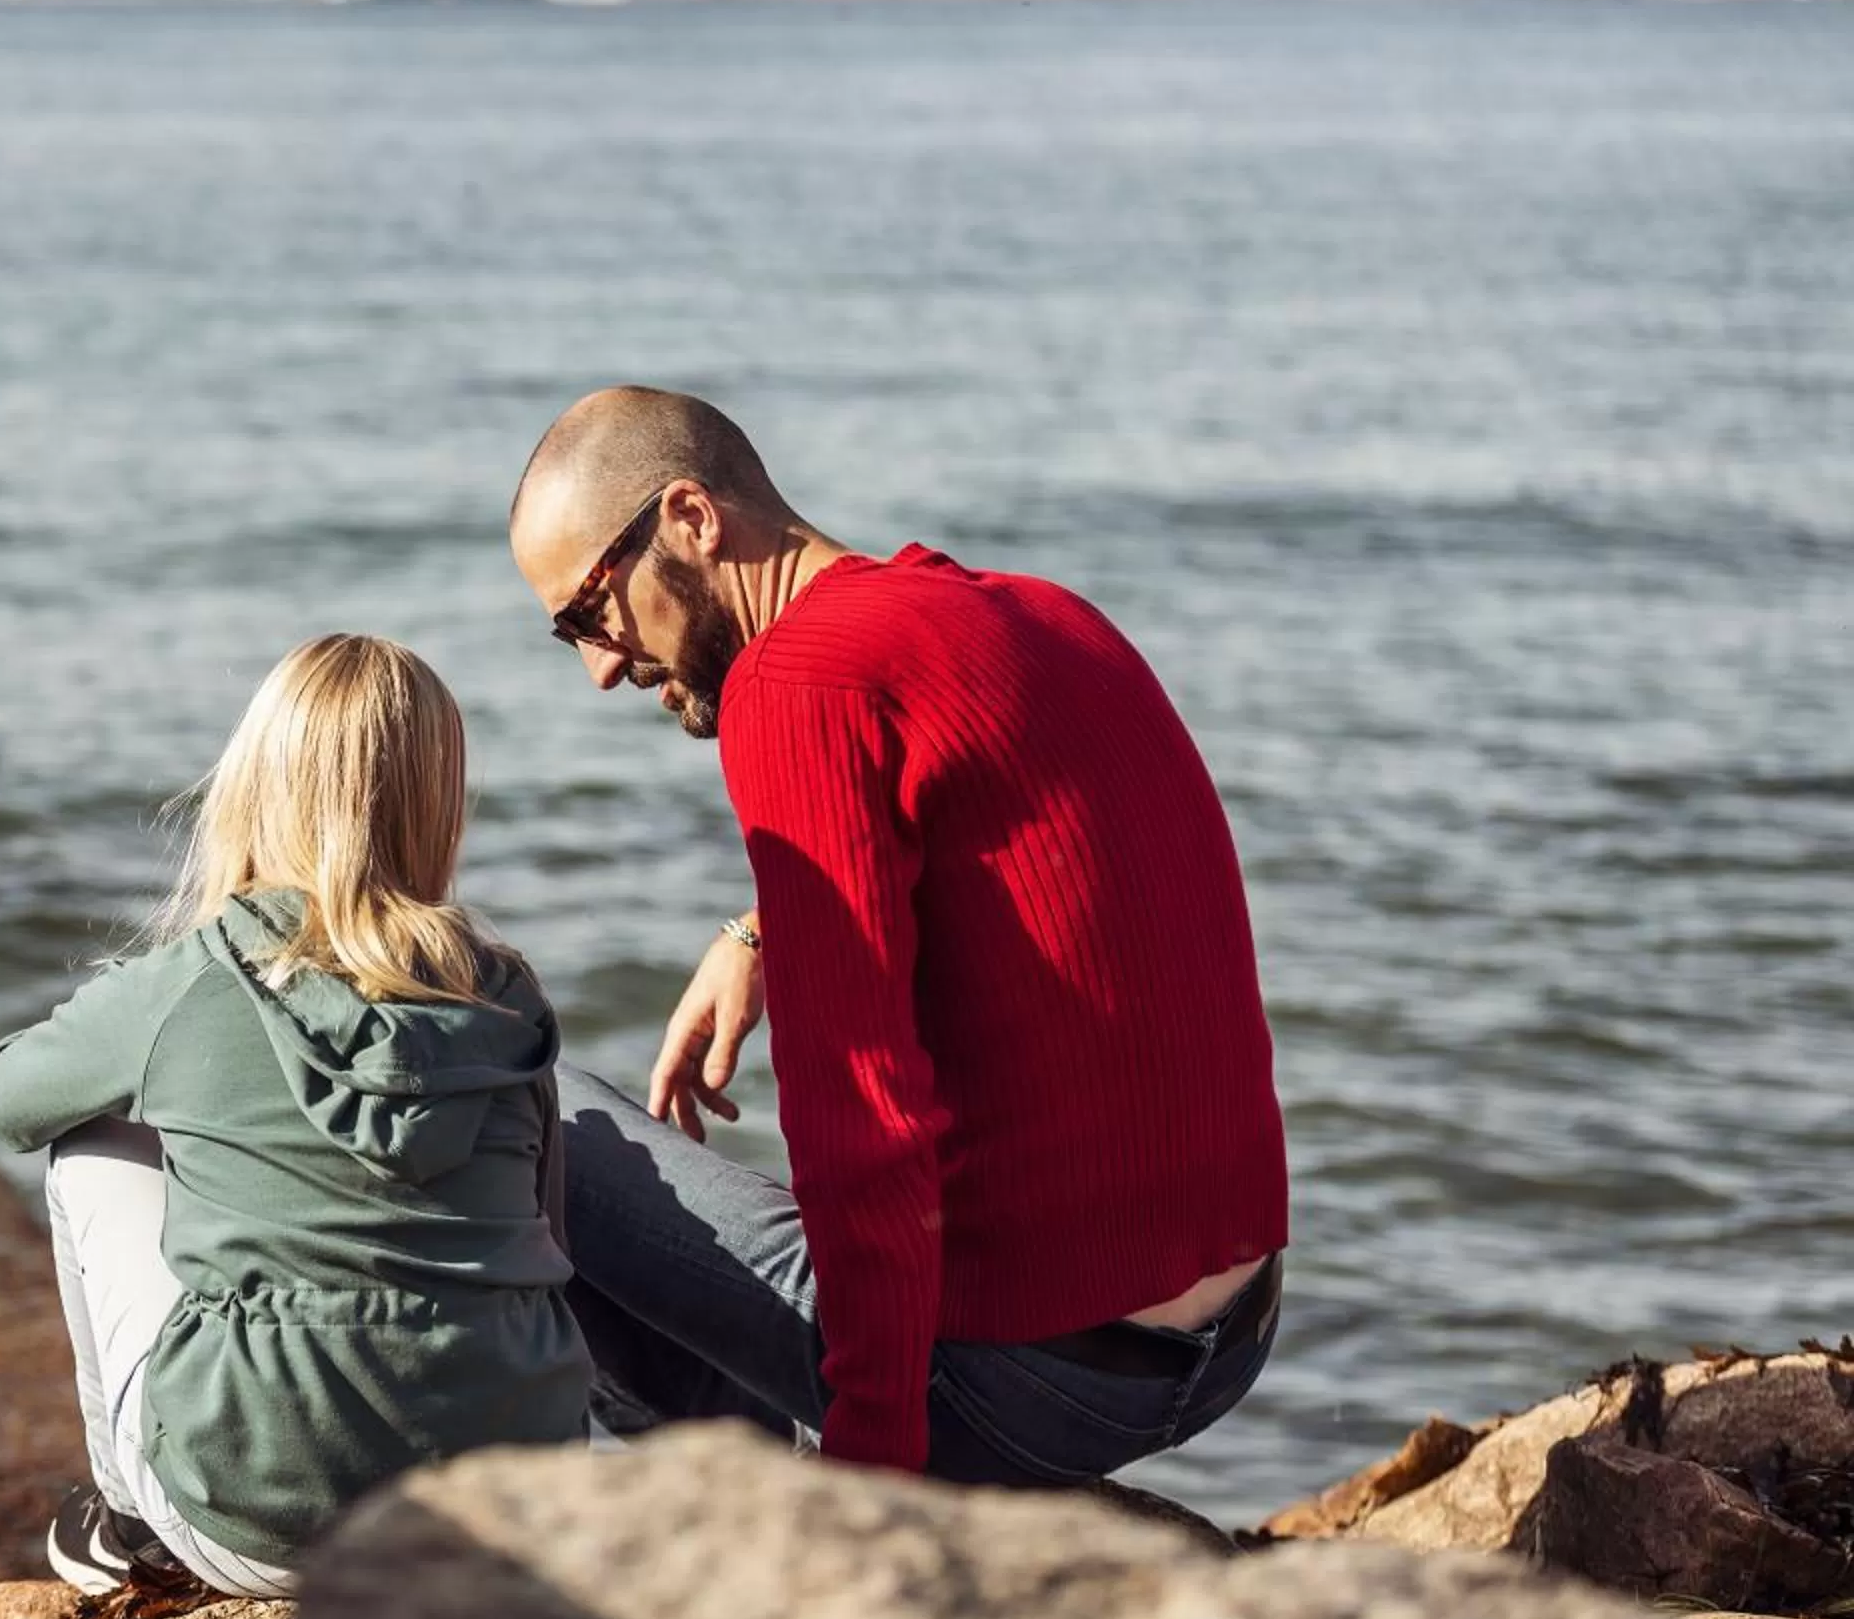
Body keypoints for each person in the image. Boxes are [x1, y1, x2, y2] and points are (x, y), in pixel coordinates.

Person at [506, 385, 1290, 1486]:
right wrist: (763, 929)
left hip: (1032, 1386)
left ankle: (715, 1507)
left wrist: (878, 1485)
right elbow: (1037, 866)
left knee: (519, 1103)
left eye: (590, 610)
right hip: (1231, 1339)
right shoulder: (1037, 610)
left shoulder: (798, 683)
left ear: (690, 516)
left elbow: (862, 1125)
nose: (599, 663)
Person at [0, 633, 589, 1597]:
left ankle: (131, 1520)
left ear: (256, 784)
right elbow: (545, 1240)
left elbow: (6, 1097)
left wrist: (160, 1069)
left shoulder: (194, 977)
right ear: (436, 804)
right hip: (514, 1493)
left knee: (87, 1143)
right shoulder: (507, 998)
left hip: (265, 1519)